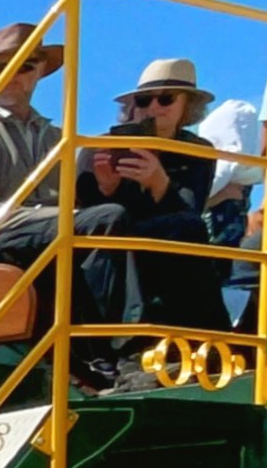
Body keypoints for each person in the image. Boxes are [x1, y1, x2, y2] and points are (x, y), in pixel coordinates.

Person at [0, 23, 137, 387]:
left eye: (25, 65)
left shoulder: (56, 137)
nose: (12, 75)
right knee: (104, 221)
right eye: (0, 68)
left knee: (161, 228)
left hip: (42, 238)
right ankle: (114, 354)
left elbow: (77, 205)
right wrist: (72, 216)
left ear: (41, 72)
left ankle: (179, 338)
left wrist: (105, 187)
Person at [78, 58, 231, 334]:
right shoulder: (99, 147)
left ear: (188, 106)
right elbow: (83, 217)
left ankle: (210, 341)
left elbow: (190, 214)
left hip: (167, 244)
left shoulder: (197, 151)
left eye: (166, 99)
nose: (153, 108)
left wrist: (160, 183)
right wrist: (106, 188)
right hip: (116, 245)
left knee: (190, 233)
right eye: (145, 100)